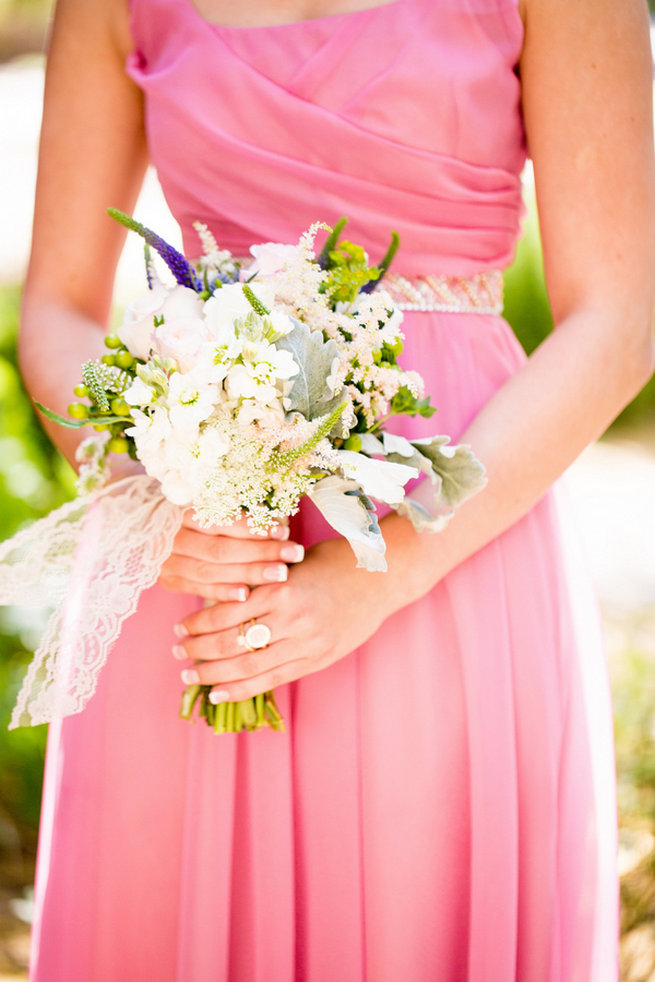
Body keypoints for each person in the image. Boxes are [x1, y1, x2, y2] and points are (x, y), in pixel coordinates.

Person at [17, 0, 655, 978]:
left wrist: (384, 572)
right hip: (198, 567)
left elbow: (619, 318)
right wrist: (142, 489)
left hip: (451, 548)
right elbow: (56, 306)